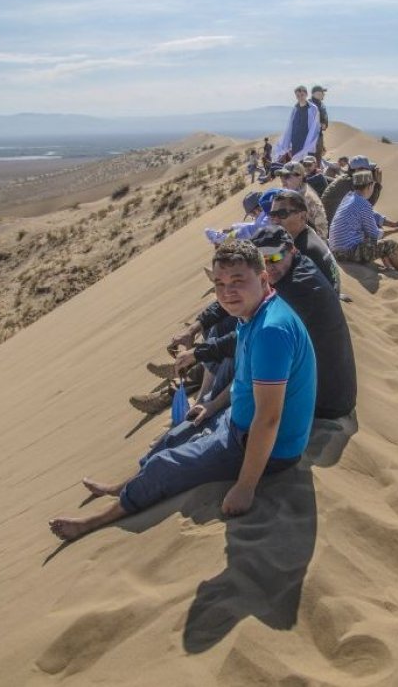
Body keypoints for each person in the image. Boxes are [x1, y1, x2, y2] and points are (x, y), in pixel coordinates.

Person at [49, 240, 317, 541]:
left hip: (266, 449)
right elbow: (244, 381)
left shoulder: (270, 331)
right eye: (220, 283)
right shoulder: (252, 315)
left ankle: (94, 521)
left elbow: (268, 418)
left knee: (166, 466)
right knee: (178, 433)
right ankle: (126, 485)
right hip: (237, 423)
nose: (227, 292)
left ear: (263, 278)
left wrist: (245, 487)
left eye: (238, 281)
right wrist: (212, 407)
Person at [173, 226, 356, 422]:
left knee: (243, 350)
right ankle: (203, 398)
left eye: (275, 258)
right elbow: (228, 303)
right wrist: (194, 329)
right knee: (226, 323)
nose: (270, 267)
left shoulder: (299, 286)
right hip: (308, 380)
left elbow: (252, 337)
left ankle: (207, 410)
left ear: (292, 249)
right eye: (263, 261)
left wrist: (198, 352)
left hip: (323, 400)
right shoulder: (290, 267)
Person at [328, 170, 398, 274]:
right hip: (347, 253)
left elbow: (372, 214)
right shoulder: (363, 203)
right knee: (391, 245)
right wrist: (396, 231)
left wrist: (393, 224)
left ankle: (391, 268)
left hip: (335, 250)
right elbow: (375, 235)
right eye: (373, 185)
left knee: (370, 240)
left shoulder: (349, 197)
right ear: (369, 186)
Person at [267, 189, 340, 294]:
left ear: (303, 216)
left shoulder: (303, 250)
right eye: (273, 215)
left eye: (282, 214)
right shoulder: (308, 235)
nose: (276, 220)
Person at [322, 154, 383, 223]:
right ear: (358, 170)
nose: (370, 173)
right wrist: (377, 185)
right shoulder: (353, 184)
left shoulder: (346, 179)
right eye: (368, 170)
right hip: (335, 225)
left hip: (329, 220)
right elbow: (367, 207)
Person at [276, 161, 328, 238]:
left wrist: (316, 247)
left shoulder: (308, 198)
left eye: (287, 177)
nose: (283, 183)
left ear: (299, 176)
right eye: (282, 178)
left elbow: (322, 227)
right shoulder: (296, 194)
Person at [273, 85, 320, 163]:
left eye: (302, 95)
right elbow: (290, 125)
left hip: (307, 139)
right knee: (296, 162)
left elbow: (315, 126)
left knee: (307, 162)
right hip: (295, 139)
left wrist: (313, 140)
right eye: (298, 96)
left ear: (306, 94)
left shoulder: (313, 108)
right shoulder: (295, 108)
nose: (300, 97)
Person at [309, 85, 329, 161]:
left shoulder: (321, 104)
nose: (323, 94)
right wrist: (319, 124)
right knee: (310, 158)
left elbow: (324, 119)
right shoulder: (309, 104)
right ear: (314, 94)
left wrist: (324, 125)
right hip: (310, 137)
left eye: (323, 93)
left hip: (319, 135)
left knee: (318, 157)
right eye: (321, 92)